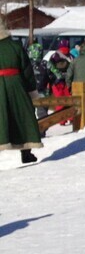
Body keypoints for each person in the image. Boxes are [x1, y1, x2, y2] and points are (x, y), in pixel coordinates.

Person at [0, 20, 43, 163]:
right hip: (16, 85)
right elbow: (27, 71)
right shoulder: (15, 46)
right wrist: (31, 90)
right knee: (23, 116)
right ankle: (26, 153)